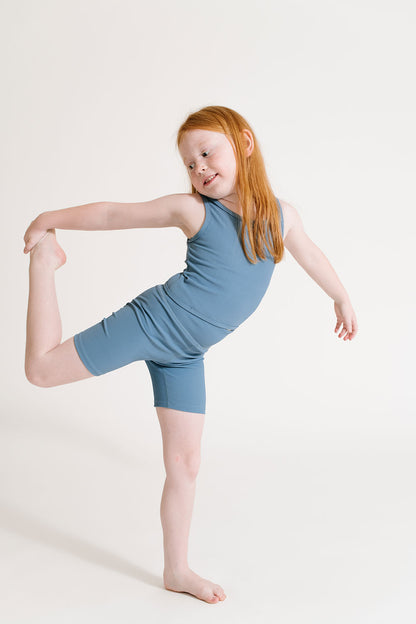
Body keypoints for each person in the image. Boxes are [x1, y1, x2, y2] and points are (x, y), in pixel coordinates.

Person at [23, 105, 358, 604]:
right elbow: (117, 214)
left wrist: (341, 295)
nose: (199, 168)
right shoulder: (194, 210)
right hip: (153, 322)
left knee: (185, 463)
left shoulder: (283, 216)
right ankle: (46, 264)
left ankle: (176, 570)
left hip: (187, 354)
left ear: (244, 143)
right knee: (41, 371)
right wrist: (50, 220)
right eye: (189, 163)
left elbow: (309, 253)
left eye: (207, 152)